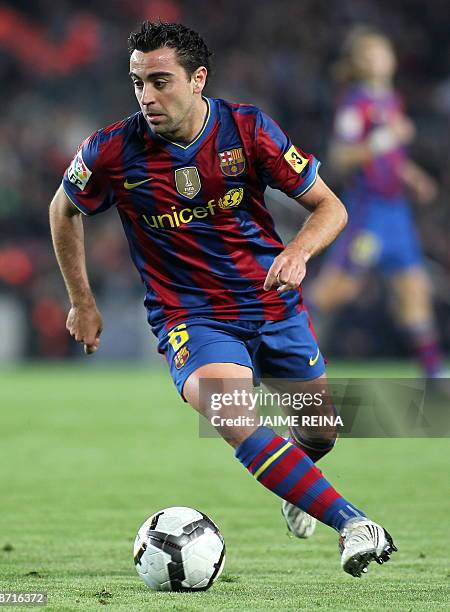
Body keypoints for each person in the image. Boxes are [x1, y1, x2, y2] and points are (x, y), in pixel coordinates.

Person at [49, 21, 397, 577]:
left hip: (271, 304)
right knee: (233, 415)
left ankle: (298, 482)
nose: (146, 96)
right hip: (191, 315)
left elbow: (330, 208)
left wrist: (300, 252)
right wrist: (81, 301)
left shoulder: (247, 130)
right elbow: (62, 208)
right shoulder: (112, 150)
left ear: (198, 79)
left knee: (320, 431)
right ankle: (353, 523)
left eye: (160, 81)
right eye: (138, 82)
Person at [309, 28, 446, 379]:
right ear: (359, 63)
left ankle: (433, 378)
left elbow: (391, 158)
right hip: (368, 212)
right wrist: (388, 138)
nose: (380, 59)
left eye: (383, 52)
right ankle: (272, 343)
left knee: (413, 290)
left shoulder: (391, 100)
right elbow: (341, 156)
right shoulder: (356, 103)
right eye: (371, 54)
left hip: (396, 212)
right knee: (337, 291)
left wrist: (412, 176)